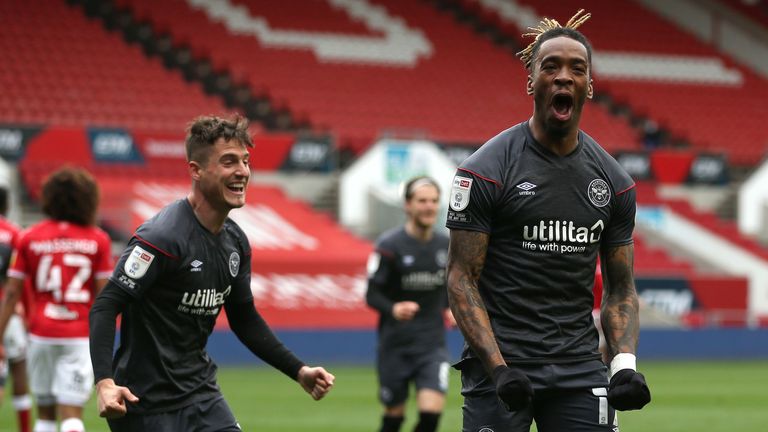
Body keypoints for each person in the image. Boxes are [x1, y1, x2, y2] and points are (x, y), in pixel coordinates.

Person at [444, 10, 651, 432]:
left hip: (578, 365)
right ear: (530, 81)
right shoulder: (485, 170)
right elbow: (460, 278)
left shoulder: (614, 183)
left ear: (589, 86)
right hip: (500, 368)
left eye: (577, 68)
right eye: (550, 66)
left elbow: (621, 287)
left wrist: (624, 364)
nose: (563, 76)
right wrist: (499, 369)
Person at [89, 115, 335, 431]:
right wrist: (105, 383)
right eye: (229, 162)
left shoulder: (236, 243)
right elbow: (106, 305)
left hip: (201, 395)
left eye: (246, 162)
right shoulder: (161, 238)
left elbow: (244, 318)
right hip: (142, 403)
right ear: (196, 170)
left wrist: (298, 370)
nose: (243, 172)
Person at [0, 168, 113, 432]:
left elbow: (12, 293)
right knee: (72, 415)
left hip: (41, 334)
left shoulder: (29, 237)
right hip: (78, 334)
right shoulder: (98, 239)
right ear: (88, 199)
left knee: (46, 415)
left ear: (49, 198)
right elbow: (104, 298)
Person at [366, 176, 455, 432]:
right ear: (408, 205)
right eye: (422, 201)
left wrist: (452, 307)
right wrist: (393, 308)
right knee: (394, 416)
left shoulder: (446, 246)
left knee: (430, 414)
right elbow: (371, 294)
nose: (429, 206)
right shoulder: (388, 246)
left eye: (434, 201)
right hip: (395, 346)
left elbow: (451, 286)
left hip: (431, 346)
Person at [0, 186, 32, 432]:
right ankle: (24, 429)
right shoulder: (14, 234)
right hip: (7, 310)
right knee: (18, 366)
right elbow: (22, 280)